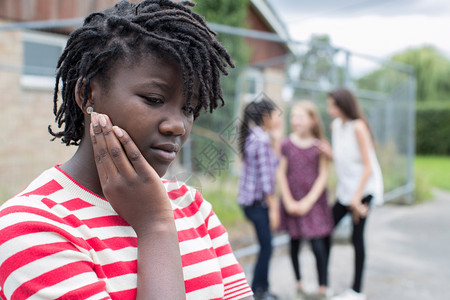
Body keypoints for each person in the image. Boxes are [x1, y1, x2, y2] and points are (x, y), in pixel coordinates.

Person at [0, 1, 254, 299]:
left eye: (189, 108)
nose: (179, 126)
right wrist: (155, 226)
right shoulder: (31, 228)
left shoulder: (193, 207)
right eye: (154, 99)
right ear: (86, 94)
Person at [326, 88, 384, 300]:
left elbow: (368, 166)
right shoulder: (336, 126)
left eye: (333, 105)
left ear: (343, 105)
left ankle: (357, 291)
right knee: (325, 230)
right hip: (346, 191)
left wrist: (357, 198)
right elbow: (343, 157)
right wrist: (327, 153)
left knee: (357, 238)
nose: (329, 109)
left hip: (364, 189)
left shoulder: (359, 127)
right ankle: (325, 284)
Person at [277, 101, 334, 300]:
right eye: (293, 116)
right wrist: (289, 201)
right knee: (294, 243)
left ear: (312, 120)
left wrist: (308, 202)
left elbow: (323, 175)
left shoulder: (320, 146)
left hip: (314, 204)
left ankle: (323, 287)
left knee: (319, 244)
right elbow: (281, 174)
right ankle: (299, 284)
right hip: (292, 202)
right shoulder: (286, 144)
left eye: (300, 117)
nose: (296, 121)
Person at [237, 98, 281, 300]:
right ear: (265, 116)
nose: (277, 118)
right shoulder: (261, 139)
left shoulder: (254, 136)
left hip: (249, 202)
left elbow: (271, 166)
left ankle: (262, 287)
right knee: (267, 246)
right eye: (274, 114)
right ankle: (258, 290)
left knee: (266, 245)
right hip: (257, 204)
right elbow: (266, 180)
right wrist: (273, 209)